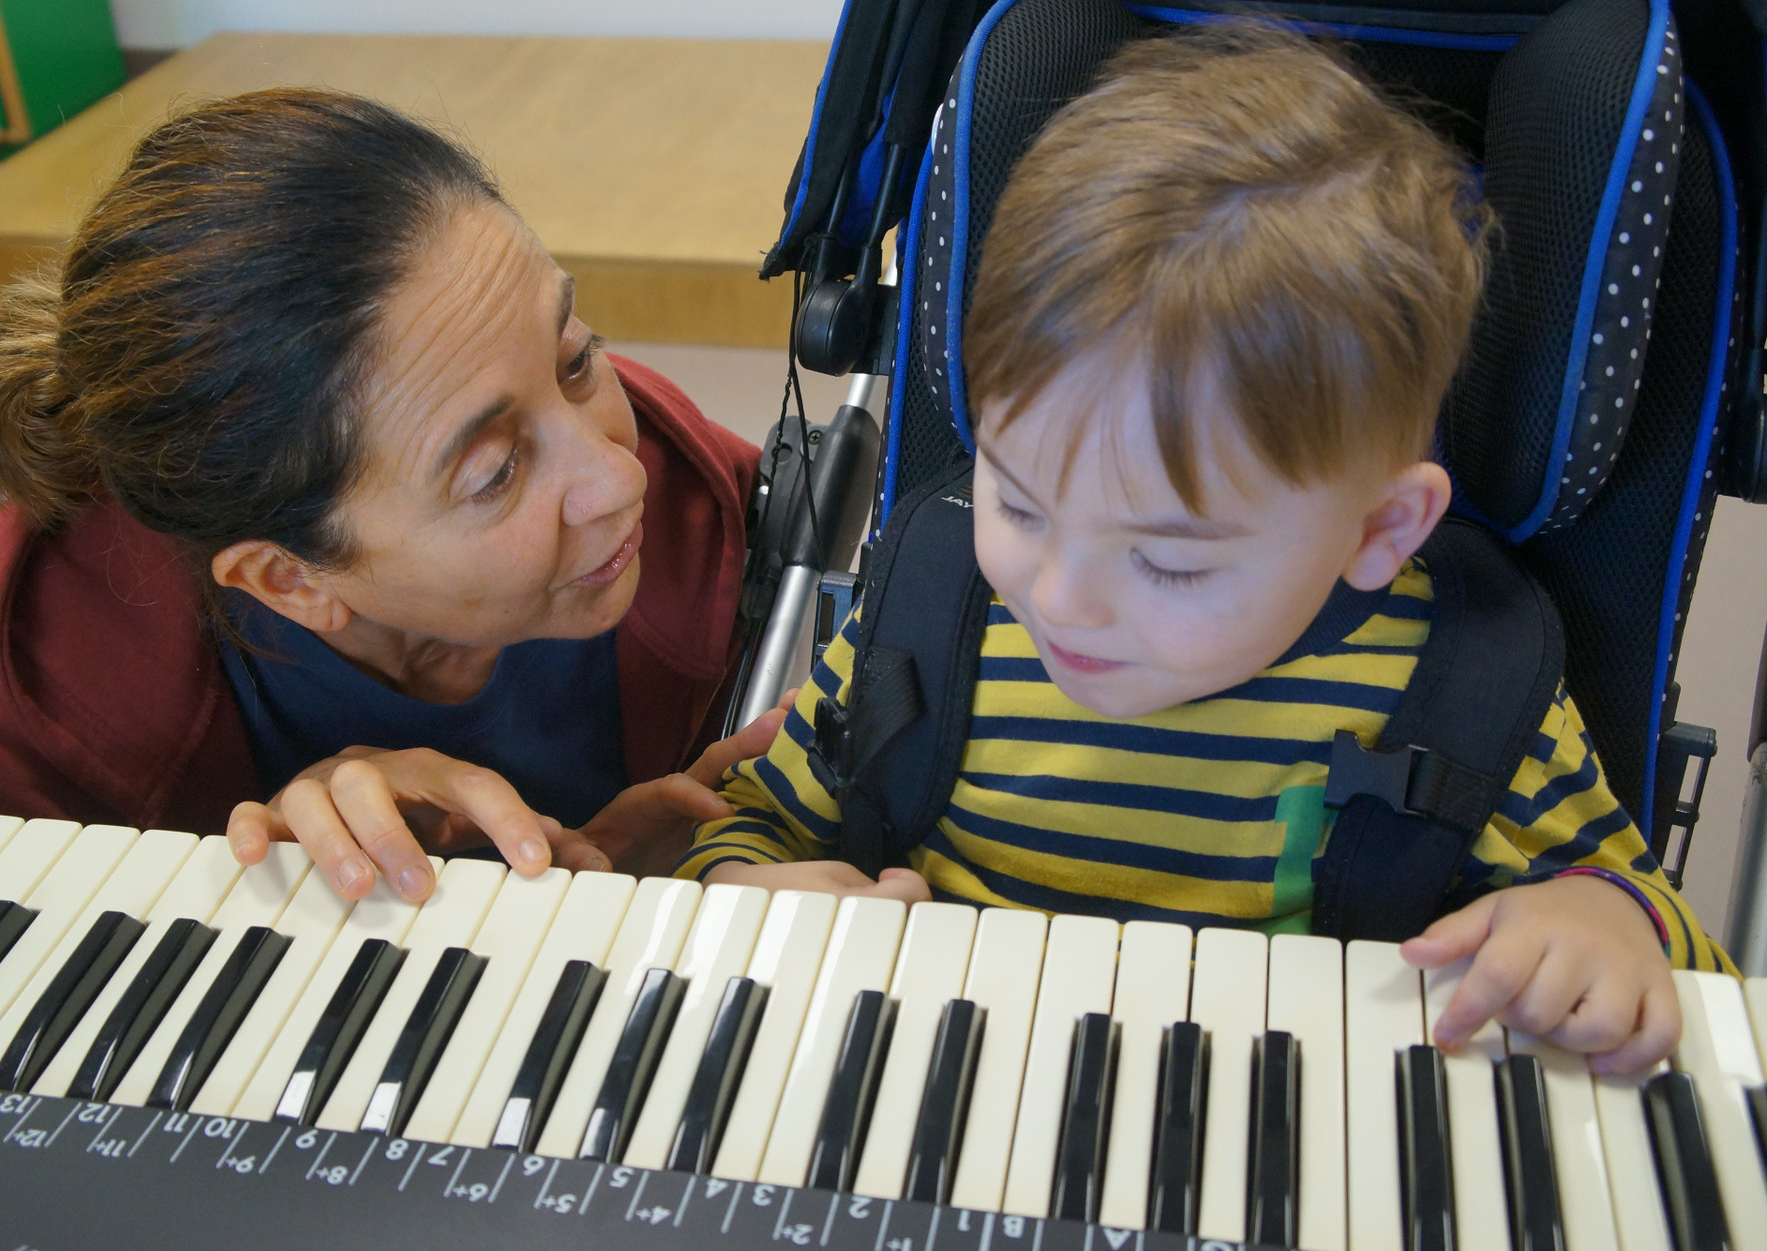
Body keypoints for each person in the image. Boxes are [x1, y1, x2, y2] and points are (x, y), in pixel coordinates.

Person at [674, 28, 1729, 1074]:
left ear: (1379, 529)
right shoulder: (926, 614)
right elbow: (753, 823)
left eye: (1170, 562)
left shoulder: (1467, 696)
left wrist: (1605, 928)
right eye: (1019, 500)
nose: (1060, 597)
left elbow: (1668, 944)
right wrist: (742, 882)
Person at [0, 87, 788, 902]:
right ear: (291, 580)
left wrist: (645, 888)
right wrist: (256, 894)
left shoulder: (707, 510)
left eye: (573, 357)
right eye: (496, 473)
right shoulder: (50, 666)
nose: (623, 476)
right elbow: (22, 995)